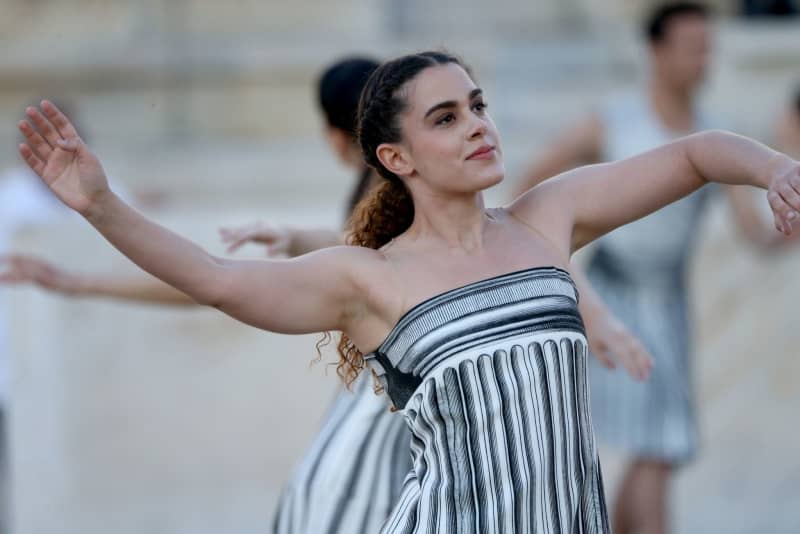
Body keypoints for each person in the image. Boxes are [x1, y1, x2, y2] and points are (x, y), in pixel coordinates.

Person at [15, 50, 800, 533]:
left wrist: (774, 169)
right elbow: (216, 281)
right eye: (448, 117)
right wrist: (100, 206)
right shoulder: (371, 278)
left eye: (479, 106)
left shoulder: (548, 219)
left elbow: (696, 154)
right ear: (397, 157)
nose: (478, 126)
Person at [514, 4, 800, 533]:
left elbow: (757, 234)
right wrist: (554, 271)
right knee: (660, 444)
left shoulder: (718, 135)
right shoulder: (612, 120)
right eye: (692, 47)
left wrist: (791, 213)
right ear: (656, 51)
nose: (702, 59)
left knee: (660, 447)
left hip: (669, 304)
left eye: (708, 47)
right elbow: (528, 196)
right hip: (609, 295)